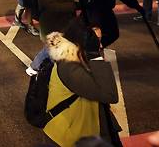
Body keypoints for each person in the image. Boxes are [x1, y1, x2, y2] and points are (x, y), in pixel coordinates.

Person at [43, 18, 121, 147]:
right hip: (70, 136)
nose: (100, 46)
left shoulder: (78, 56)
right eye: (96, 42)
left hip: (88, 127)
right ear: (81, 42)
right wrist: (95, 55)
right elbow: (109, 94)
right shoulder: (69, 65)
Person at [28, 0, 77, 74]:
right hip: (50, 26)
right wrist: (75, 6)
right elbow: (53, 7)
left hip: (64, 24)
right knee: (52, 49)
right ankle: (34, 67)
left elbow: (70, 7)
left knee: (55, 49)